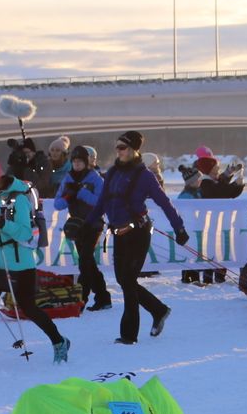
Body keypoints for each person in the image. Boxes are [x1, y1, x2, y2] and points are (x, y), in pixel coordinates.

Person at [0, 158, 69, 370]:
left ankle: (59, 340)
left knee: (29, 309)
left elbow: (26, 233)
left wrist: (4, 224)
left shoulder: (19, 199)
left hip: (19, 265)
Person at [78, 131, 190, 344]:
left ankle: (129, 335)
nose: (119, 151)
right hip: (119, 233)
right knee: (123, 280)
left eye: (123, 147)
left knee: (128, 281)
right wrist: (87, 224)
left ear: (134, 149)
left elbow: (164, 202)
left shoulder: (145, 176)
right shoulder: (111, 173)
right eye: (117, 147)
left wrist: (179, 228)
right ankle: (158, 310)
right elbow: (102, 202)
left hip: (138, 233)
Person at [56, 144, 110, 310]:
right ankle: (102, 298)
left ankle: (82, 298)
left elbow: (102, 203)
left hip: (93, 224)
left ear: (87, 163)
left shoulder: (95, 178)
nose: (77, 164)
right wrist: (68, 196)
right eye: (74, 161)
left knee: (85, 260)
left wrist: (81, 193)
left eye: (80, 161)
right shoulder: (68, 178)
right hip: (77, 226)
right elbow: (58, 204)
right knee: (87, 262)